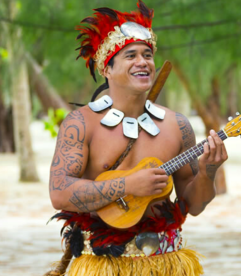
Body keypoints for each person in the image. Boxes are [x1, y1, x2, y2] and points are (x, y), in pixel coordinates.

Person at [47, 1, 228, 275]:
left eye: (147, 54)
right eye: (130, 55)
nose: (142, 62)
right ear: (107, 69)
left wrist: (208, 172)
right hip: (101, 265)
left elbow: (194, 206)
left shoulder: (177, 125)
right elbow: (60, 193)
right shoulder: (81, 124)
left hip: (165, 263)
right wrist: (129, 184)